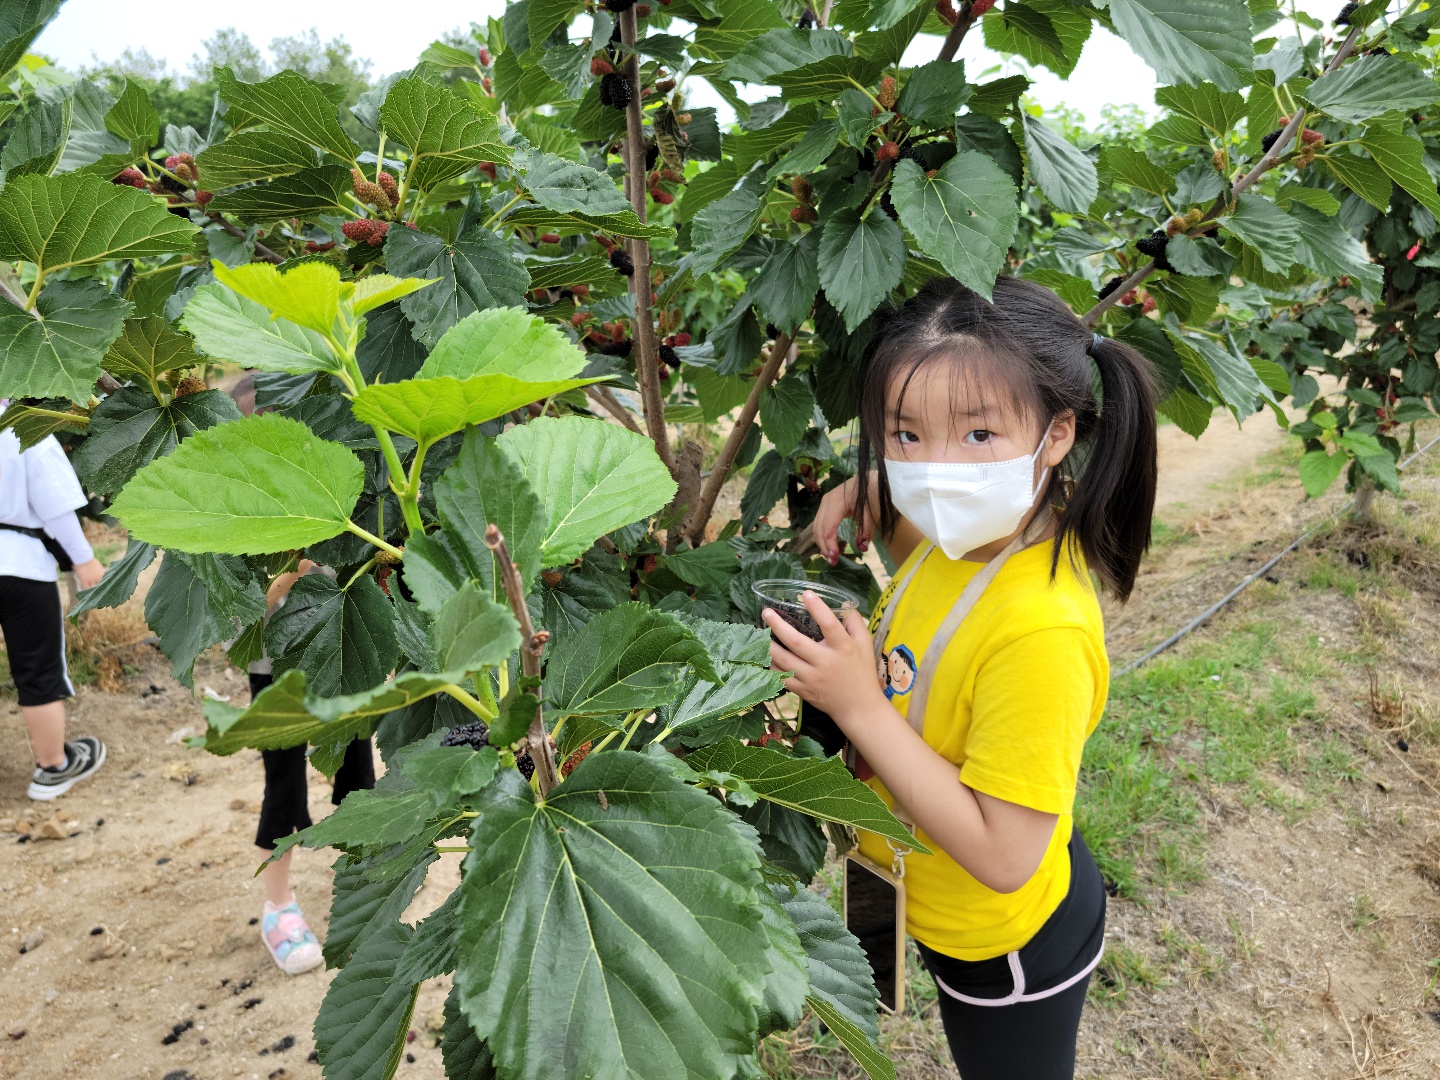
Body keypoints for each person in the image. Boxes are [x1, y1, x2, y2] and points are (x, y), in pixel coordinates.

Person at [764, 277, 1157, 1080]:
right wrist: (878, 491)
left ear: (1055, 437)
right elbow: (939, 607)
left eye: (978, 436)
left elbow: (1006, 854)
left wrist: (860, 708)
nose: (935, 470)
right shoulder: (963, 538)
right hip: (916, 890)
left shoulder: (1042, 630)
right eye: (904, 436)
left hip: (1005, 945)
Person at [228, 376, 376, 976]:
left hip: (337, 653)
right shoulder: (235, 508)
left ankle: (368, 882)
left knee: (357, 762)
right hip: (275, 665)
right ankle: (278, 906)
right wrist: (291, 569)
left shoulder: (328, 497)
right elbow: (244, 601)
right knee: (284, 777)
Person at [0, 426, 107, 800]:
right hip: (19, 565)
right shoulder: (24, 430)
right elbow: (56, 506)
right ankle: (53, 767)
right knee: (37, 669)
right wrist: (85, 560)